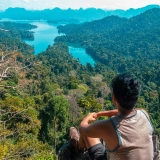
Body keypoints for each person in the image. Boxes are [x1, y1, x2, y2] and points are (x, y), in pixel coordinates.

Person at [58, 73, 154, 160]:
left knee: (87, 134)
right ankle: (78, 146)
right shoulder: (144, 114)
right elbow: (123, 112)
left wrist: (87, 117)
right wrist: (99, 114)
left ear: (114, 97)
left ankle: (78, 147)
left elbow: (83, 129)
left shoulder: (110, 126)